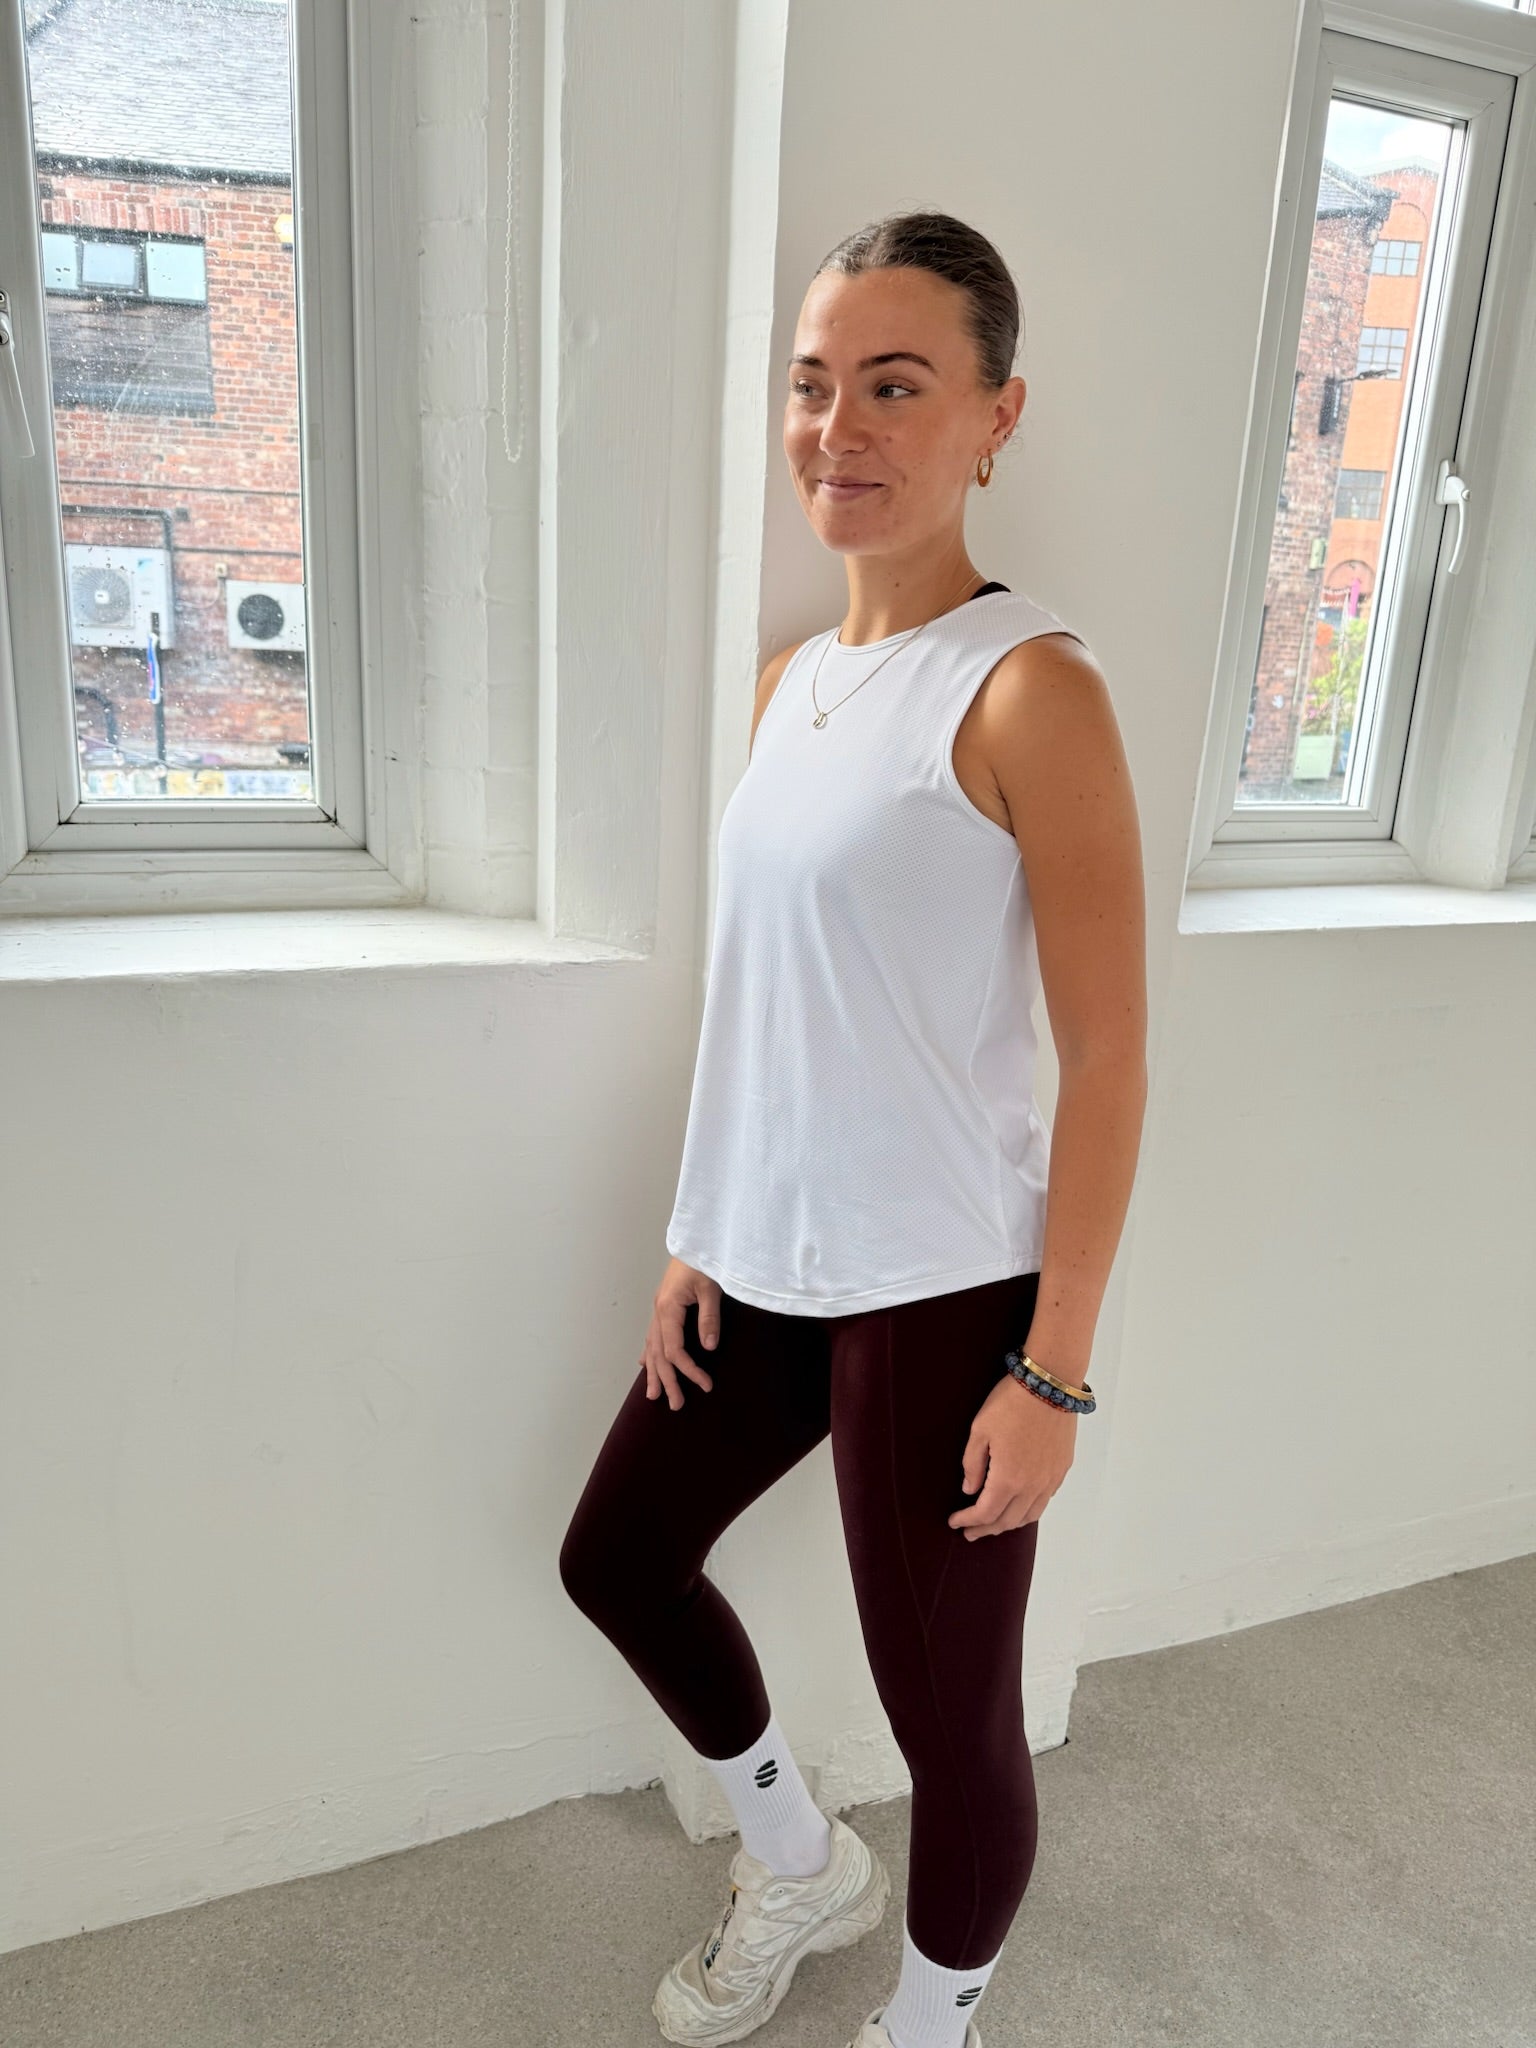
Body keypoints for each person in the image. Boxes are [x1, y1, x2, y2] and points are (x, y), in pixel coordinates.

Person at [559, 209, 1147, 2048]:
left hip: (945, 1282)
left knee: (949, 1717)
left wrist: (1048, 1378)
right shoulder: (792, 684)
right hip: (771, 1249)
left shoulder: (1032, 690)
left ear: (996, 415)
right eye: (814, 387)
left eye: (896, 386)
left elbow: (1112, 1057)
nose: (841, 429)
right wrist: (695, 1228)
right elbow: (768, 1003)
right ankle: (798, 1860)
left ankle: (930, 2022)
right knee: (617, 1559)